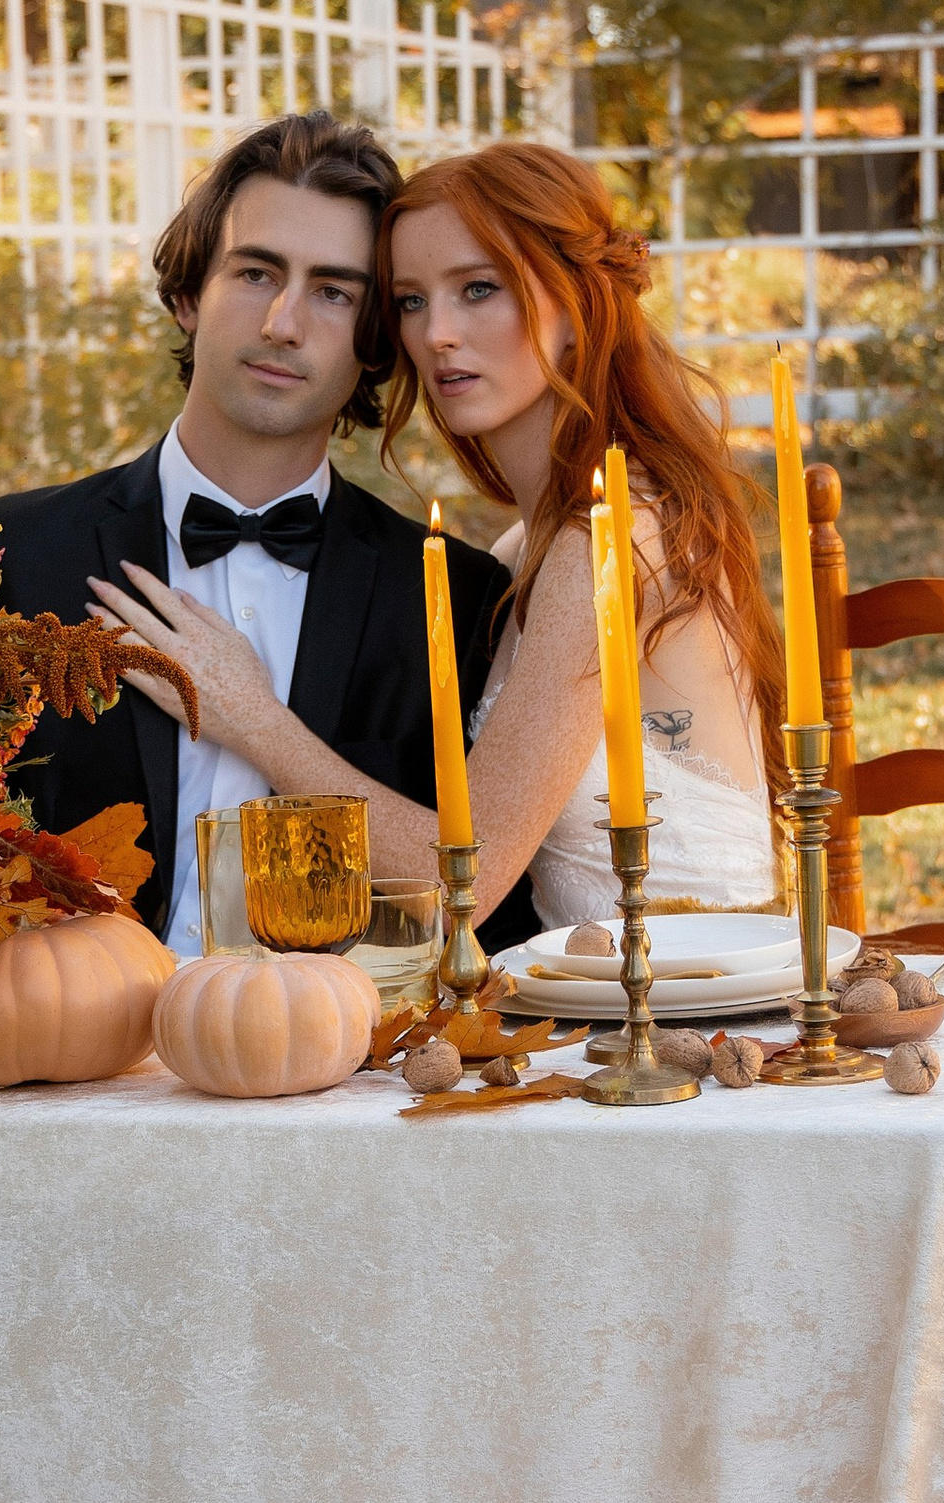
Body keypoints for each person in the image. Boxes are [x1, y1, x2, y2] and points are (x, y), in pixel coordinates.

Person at [91, 137, 783, 929]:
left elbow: (467, 879)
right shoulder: (514, 558)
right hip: (571, 1009)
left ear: (579, 307)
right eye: (412, 301)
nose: (437, 334)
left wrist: (251, 717)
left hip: (688, 1013)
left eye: (478, 289)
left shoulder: (615, 542)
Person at [0, 112, 512, 953]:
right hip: (69, 1062)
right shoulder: (10, 556)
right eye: (256, 273)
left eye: (334, 292)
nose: (283, 322)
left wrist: (259, 721)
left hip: (355, 1067)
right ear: (189, 296)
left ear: (375, 344)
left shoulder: (455, 597)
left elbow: (478, 911)